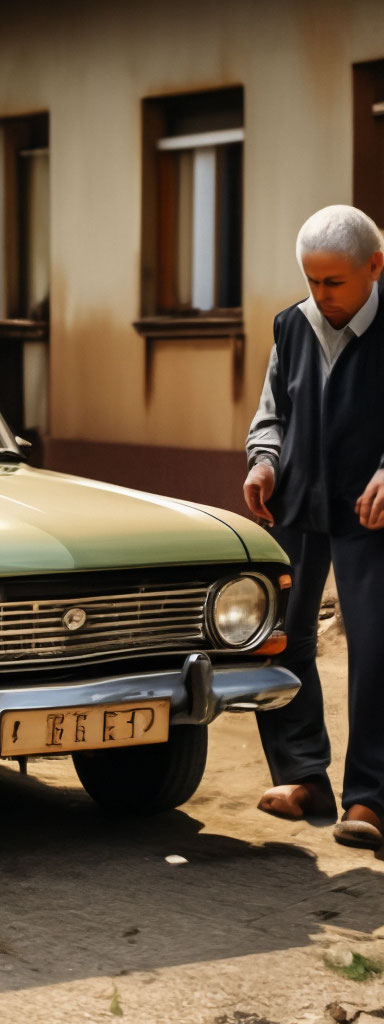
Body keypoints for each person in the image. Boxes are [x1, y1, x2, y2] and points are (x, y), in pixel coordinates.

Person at [244, 203, 384, 849]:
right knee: (279, 638)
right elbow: (272, 411)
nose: (320, 296)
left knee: (374, 649)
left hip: (370, 514)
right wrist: (265, 463)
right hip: (296, 506)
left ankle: (369, 799)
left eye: (334, 283)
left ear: (374, 268)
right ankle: (304, 777)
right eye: (311, 281)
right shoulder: (291, 325)